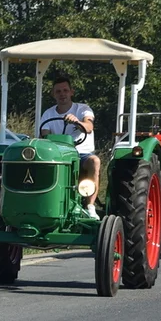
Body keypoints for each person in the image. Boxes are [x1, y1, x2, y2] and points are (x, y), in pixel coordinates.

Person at [39, 75, 102, 219]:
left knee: (95, 161)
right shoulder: (48, 114)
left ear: (71, 92)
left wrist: (77, 122)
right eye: (58, 91)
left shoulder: (83, 109)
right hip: (57, 155)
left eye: (65, 91)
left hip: (81, 154)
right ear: (53, 94)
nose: (62, 94)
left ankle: (90, 206)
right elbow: (45, 135)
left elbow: (89, 127)